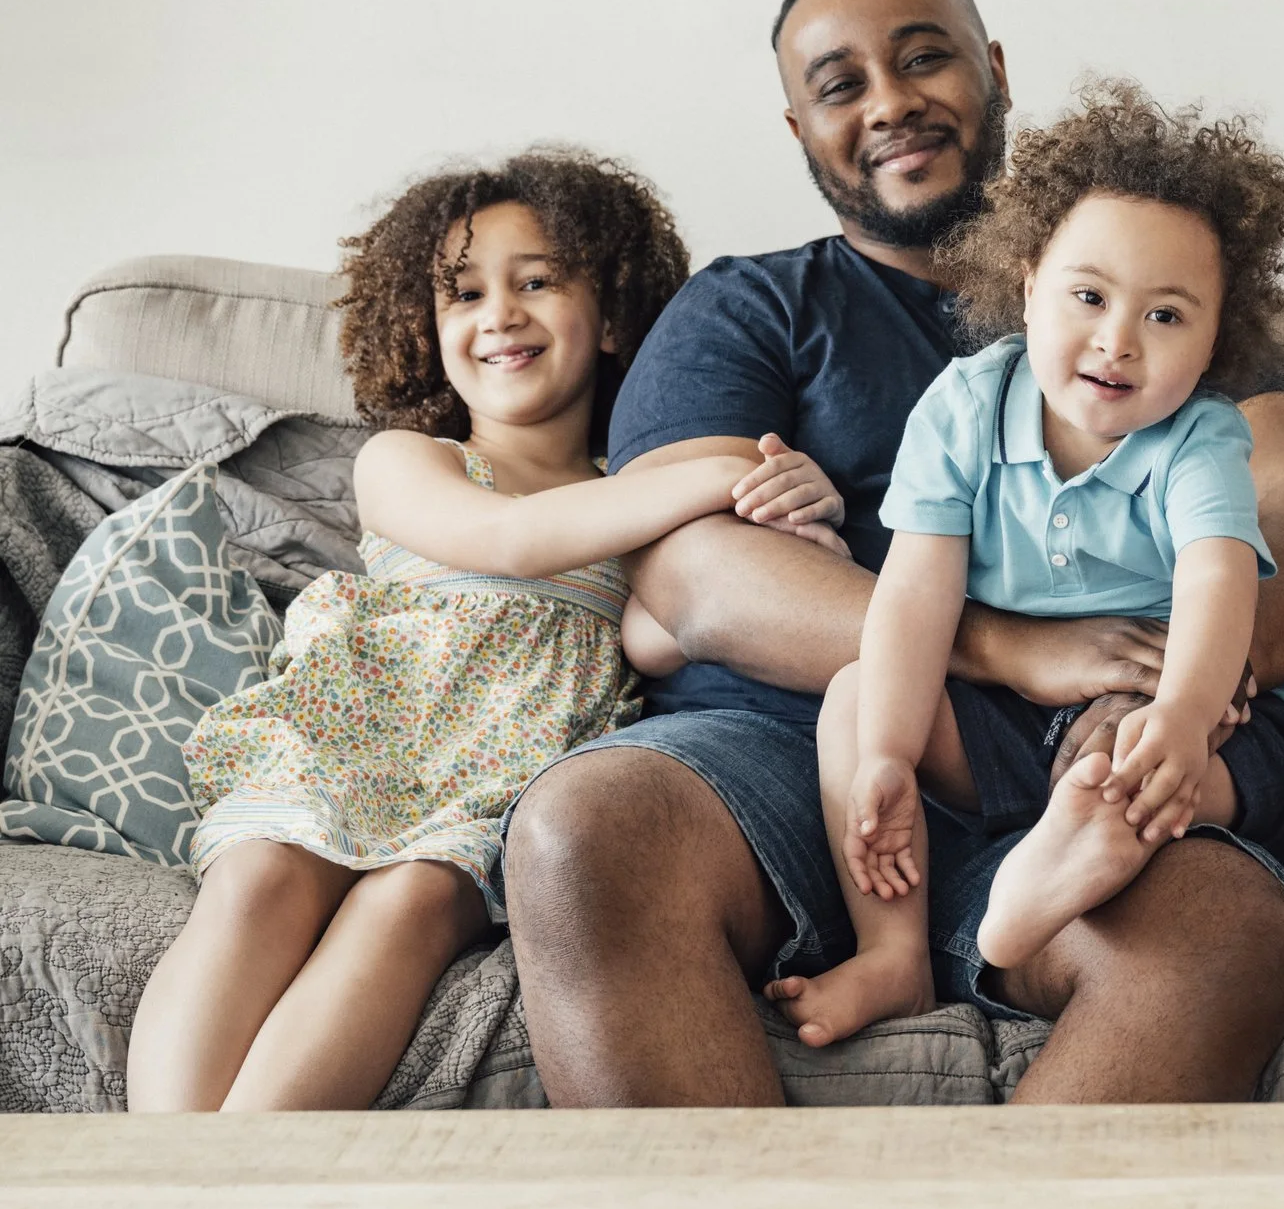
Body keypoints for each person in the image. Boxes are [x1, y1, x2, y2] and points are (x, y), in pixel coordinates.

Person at [499, 0, 1284, 1107]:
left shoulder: (1166, 305)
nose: (892, 101)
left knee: (1225, 931)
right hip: (784, 749)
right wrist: (1009, 644)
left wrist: (1149, 697)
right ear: (799, 127)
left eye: (924, 60)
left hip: (1098, 756)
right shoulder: (750, 306)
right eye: (840, 83)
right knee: (579, 830)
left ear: (995, 73)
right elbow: (690, 577)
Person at [124, 149, 826, 1110]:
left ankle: (238, 1183)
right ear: (427, 326)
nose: (499, 313)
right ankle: (160, 1174)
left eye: (537, 280)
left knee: (411, 901)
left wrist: (791, 510)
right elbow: (511, 538)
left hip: (510, 766)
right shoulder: (409, 459)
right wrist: (717, 476)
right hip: (361, 729)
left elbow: (667, 638)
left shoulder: (636, 497)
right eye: (464, 293)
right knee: (262, 878)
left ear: (614, 313)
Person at [765, 82, 1284, 1045]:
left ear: (1216, 337)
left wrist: (1184, 717)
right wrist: (891, 751)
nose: (1118, 340)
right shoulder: (965, 406)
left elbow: (1216, 579)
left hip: (1167, 710)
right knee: (859, 695)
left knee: (1138, 759)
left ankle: (1078, 848)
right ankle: (893, 955)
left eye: (1167, 316)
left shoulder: (1201, 440)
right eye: (1090, 296)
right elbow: (914, 594)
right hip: (1000, 727)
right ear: (1028, 284)